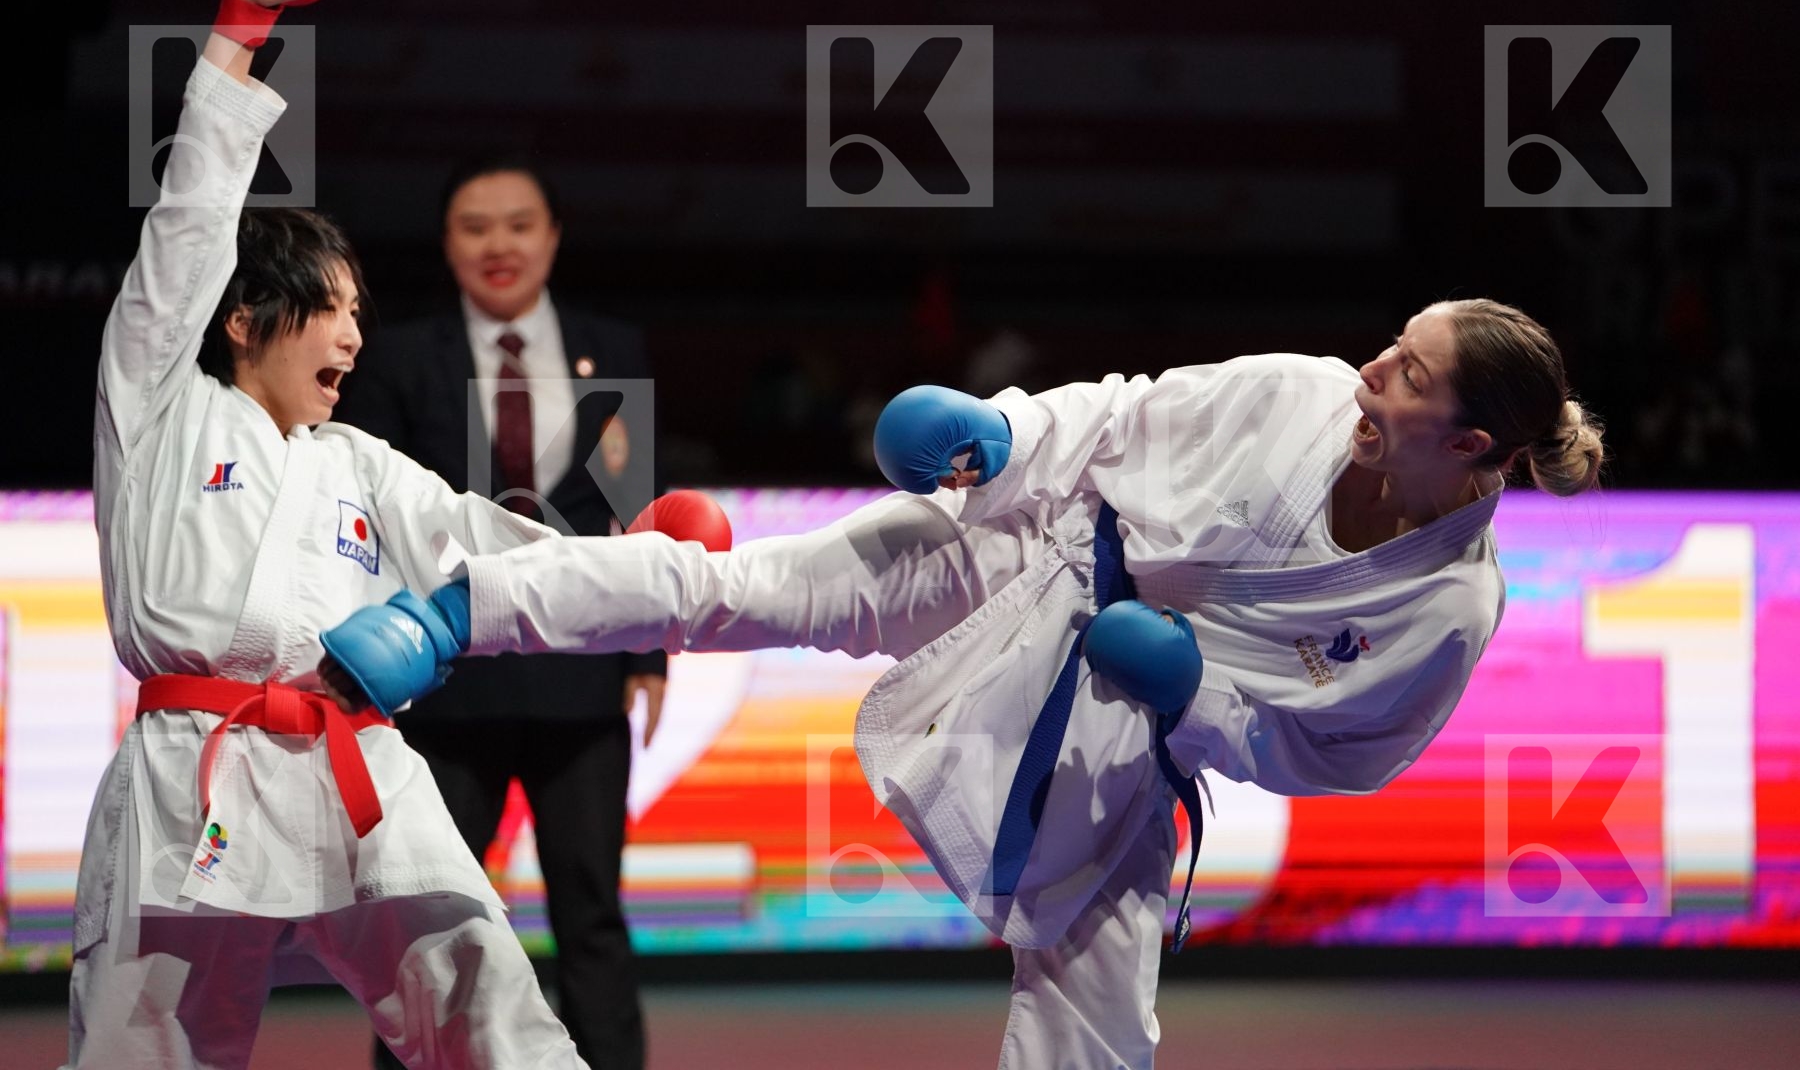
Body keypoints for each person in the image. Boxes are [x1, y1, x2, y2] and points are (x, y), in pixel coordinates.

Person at [327, 296, 1604, 1068]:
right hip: (1032, 546)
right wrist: (1004, 434)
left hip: (1127, 723)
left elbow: (1347, 752)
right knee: (743, 586)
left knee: (1093, 1004)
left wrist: (1196, 697)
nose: (1371, 369)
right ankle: (455, 612)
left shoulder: (1447, 607)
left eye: (1408, 372)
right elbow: (1122, 417)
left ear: (1469, 441)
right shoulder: (1303, 395)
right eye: (1393, 344)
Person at [71, 0, 594, 1067]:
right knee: (146, 1053)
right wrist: (241, 27)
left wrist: (653, 556)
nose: (356, 339)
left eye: (362, 313)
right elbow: (190, 228)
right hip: (189, 779)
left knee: (497, 1016)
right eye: (333, 310)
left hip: (352, 761)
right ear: (246, 319)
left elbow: (494, 546)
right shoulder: (159, 406)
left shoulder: (354, 460)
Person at [334, 156, 659, 1070]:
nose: (498, 245)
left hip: (583, 683)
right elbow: (370, 519)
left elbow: (636, 511)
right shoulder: (402, 358)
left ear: (552, 236)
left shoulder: (611, 348)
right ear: (447, 244)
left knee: (591, 916)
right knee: (429, 918)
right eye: (476, 227)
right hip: (446, 684)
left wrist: (649, 655)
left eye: (519, 224)